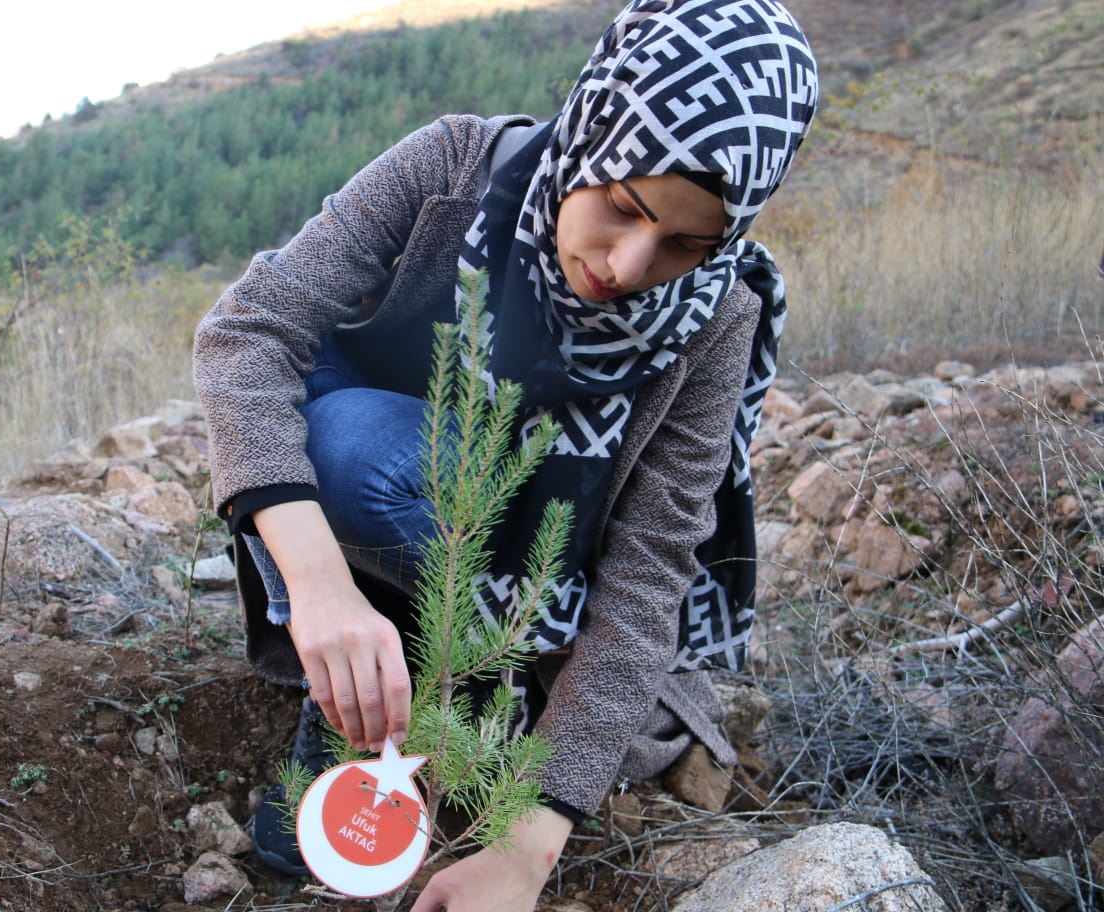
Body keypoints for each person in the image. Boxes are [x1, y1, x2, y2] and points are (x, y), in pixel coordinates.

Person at [192, 0, 819, 908]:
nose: (633, 263)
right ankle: (375, 688)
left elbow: (649, 572)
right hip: (391, 491)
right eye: (625, 205)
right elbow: (246, 332)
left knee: (607, 709)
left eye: (686, 242)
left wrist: (527, 851)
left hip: (554, 586)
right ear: (598, 128)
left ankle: (476, 709)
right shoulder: (455, 164)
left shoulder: (716, 317)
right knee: (374, 457)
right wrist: (320, 584)